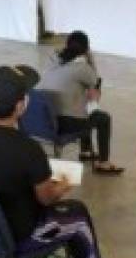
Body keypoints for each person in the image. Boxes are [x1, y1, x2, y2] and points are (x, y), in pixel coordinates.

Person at [0, 64, 104, 258]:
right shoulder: (27, 148)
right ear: (20, 106)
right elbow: (46, 199)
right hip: (17, 234)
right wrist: (64, 184)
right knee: (77, 213)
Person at [36, 30, 123, 175]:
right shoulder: (83, 68)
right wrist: (90, 60)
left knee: (81, 108)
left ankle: (86, 151)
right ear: (86, 49)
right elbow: (95, 86)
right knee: (101, 117)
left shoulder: (53, 62)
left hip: (46, 119)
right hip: (65, 124)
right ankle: (104, 163)